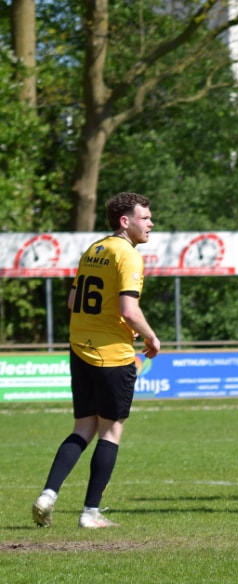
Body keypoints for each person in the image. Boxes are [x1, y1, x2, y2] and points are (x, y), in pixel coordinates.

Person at [31, 193, 162, 529]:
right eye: (145, 218)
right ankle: (90, 512)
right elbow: (128, 311)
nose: (150, 223)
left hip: (80, 348)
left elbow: (75, 300)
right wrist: (151, 337)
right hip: (112, 356)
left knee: (83, 428)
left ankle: (48, 494)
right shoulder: (128, 256)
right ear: (125, 221)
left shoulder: (95, 249)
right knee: (111, 431)